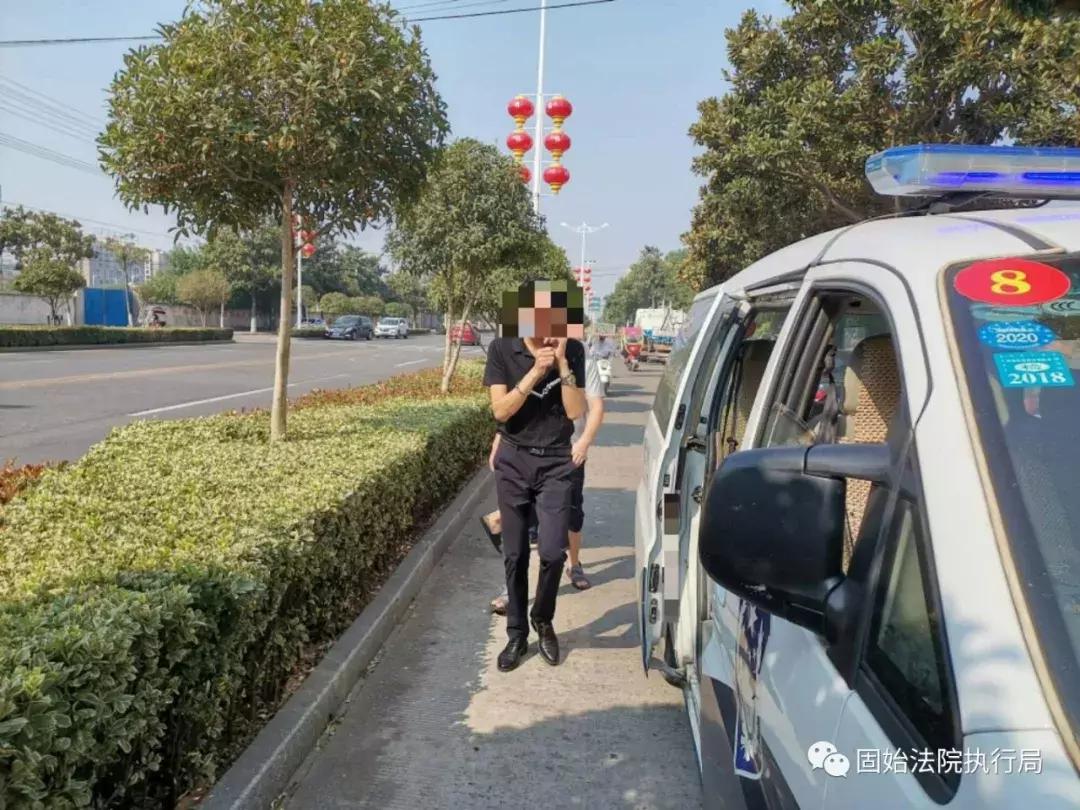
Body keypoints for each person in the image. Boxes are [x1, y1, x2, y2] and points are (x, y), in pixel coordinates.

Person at [483, 281, 586, 672]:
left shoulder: (572, 350)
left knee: (552, 551)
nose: (547, 330)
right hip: (514, 461)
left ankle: (542, 619)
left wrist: (560, 365)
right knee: (514, 553)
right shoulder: (501, 349)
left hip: (558, 462)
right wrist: (534, 373)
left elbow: (575, 412)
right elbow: (501, 411)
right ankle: (516, 634)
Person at [484, 352, 605, 610]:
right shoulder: (523, 355)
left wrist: (583, 442)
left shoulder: (581, 357)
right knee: (525, 527)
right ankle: (512, 590)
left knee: (571, 515)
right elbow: (512, 410)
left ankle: (574, 564)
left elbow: (595, 408)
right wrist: (500, 440)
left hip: (569, 454)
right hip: (526, 454)